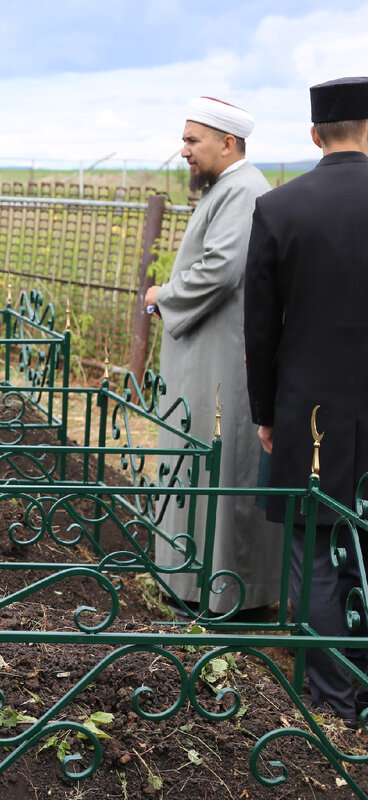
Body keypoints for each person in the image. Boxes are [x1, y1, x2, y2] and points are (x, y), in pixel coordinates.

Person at [245, 77, 368, 722]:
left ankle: (333, 698)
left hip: (310, 413)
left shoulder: (281, 208)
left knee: (316, 550)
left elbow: (260, 327)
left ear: (315, 135)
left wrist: (266, 414)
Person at [142, 97, 280, 620]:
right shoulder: (229, 188)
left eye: (192, 140)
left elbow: (221, 269)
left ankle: (224, 596)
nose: (183, 151)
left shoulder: (244, 190)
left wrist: (163, 297)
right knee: (199, 468)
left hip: (219, 364)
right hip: (204, 358)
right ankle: (195, 584)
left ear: (228, 142)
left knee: (218, 470)